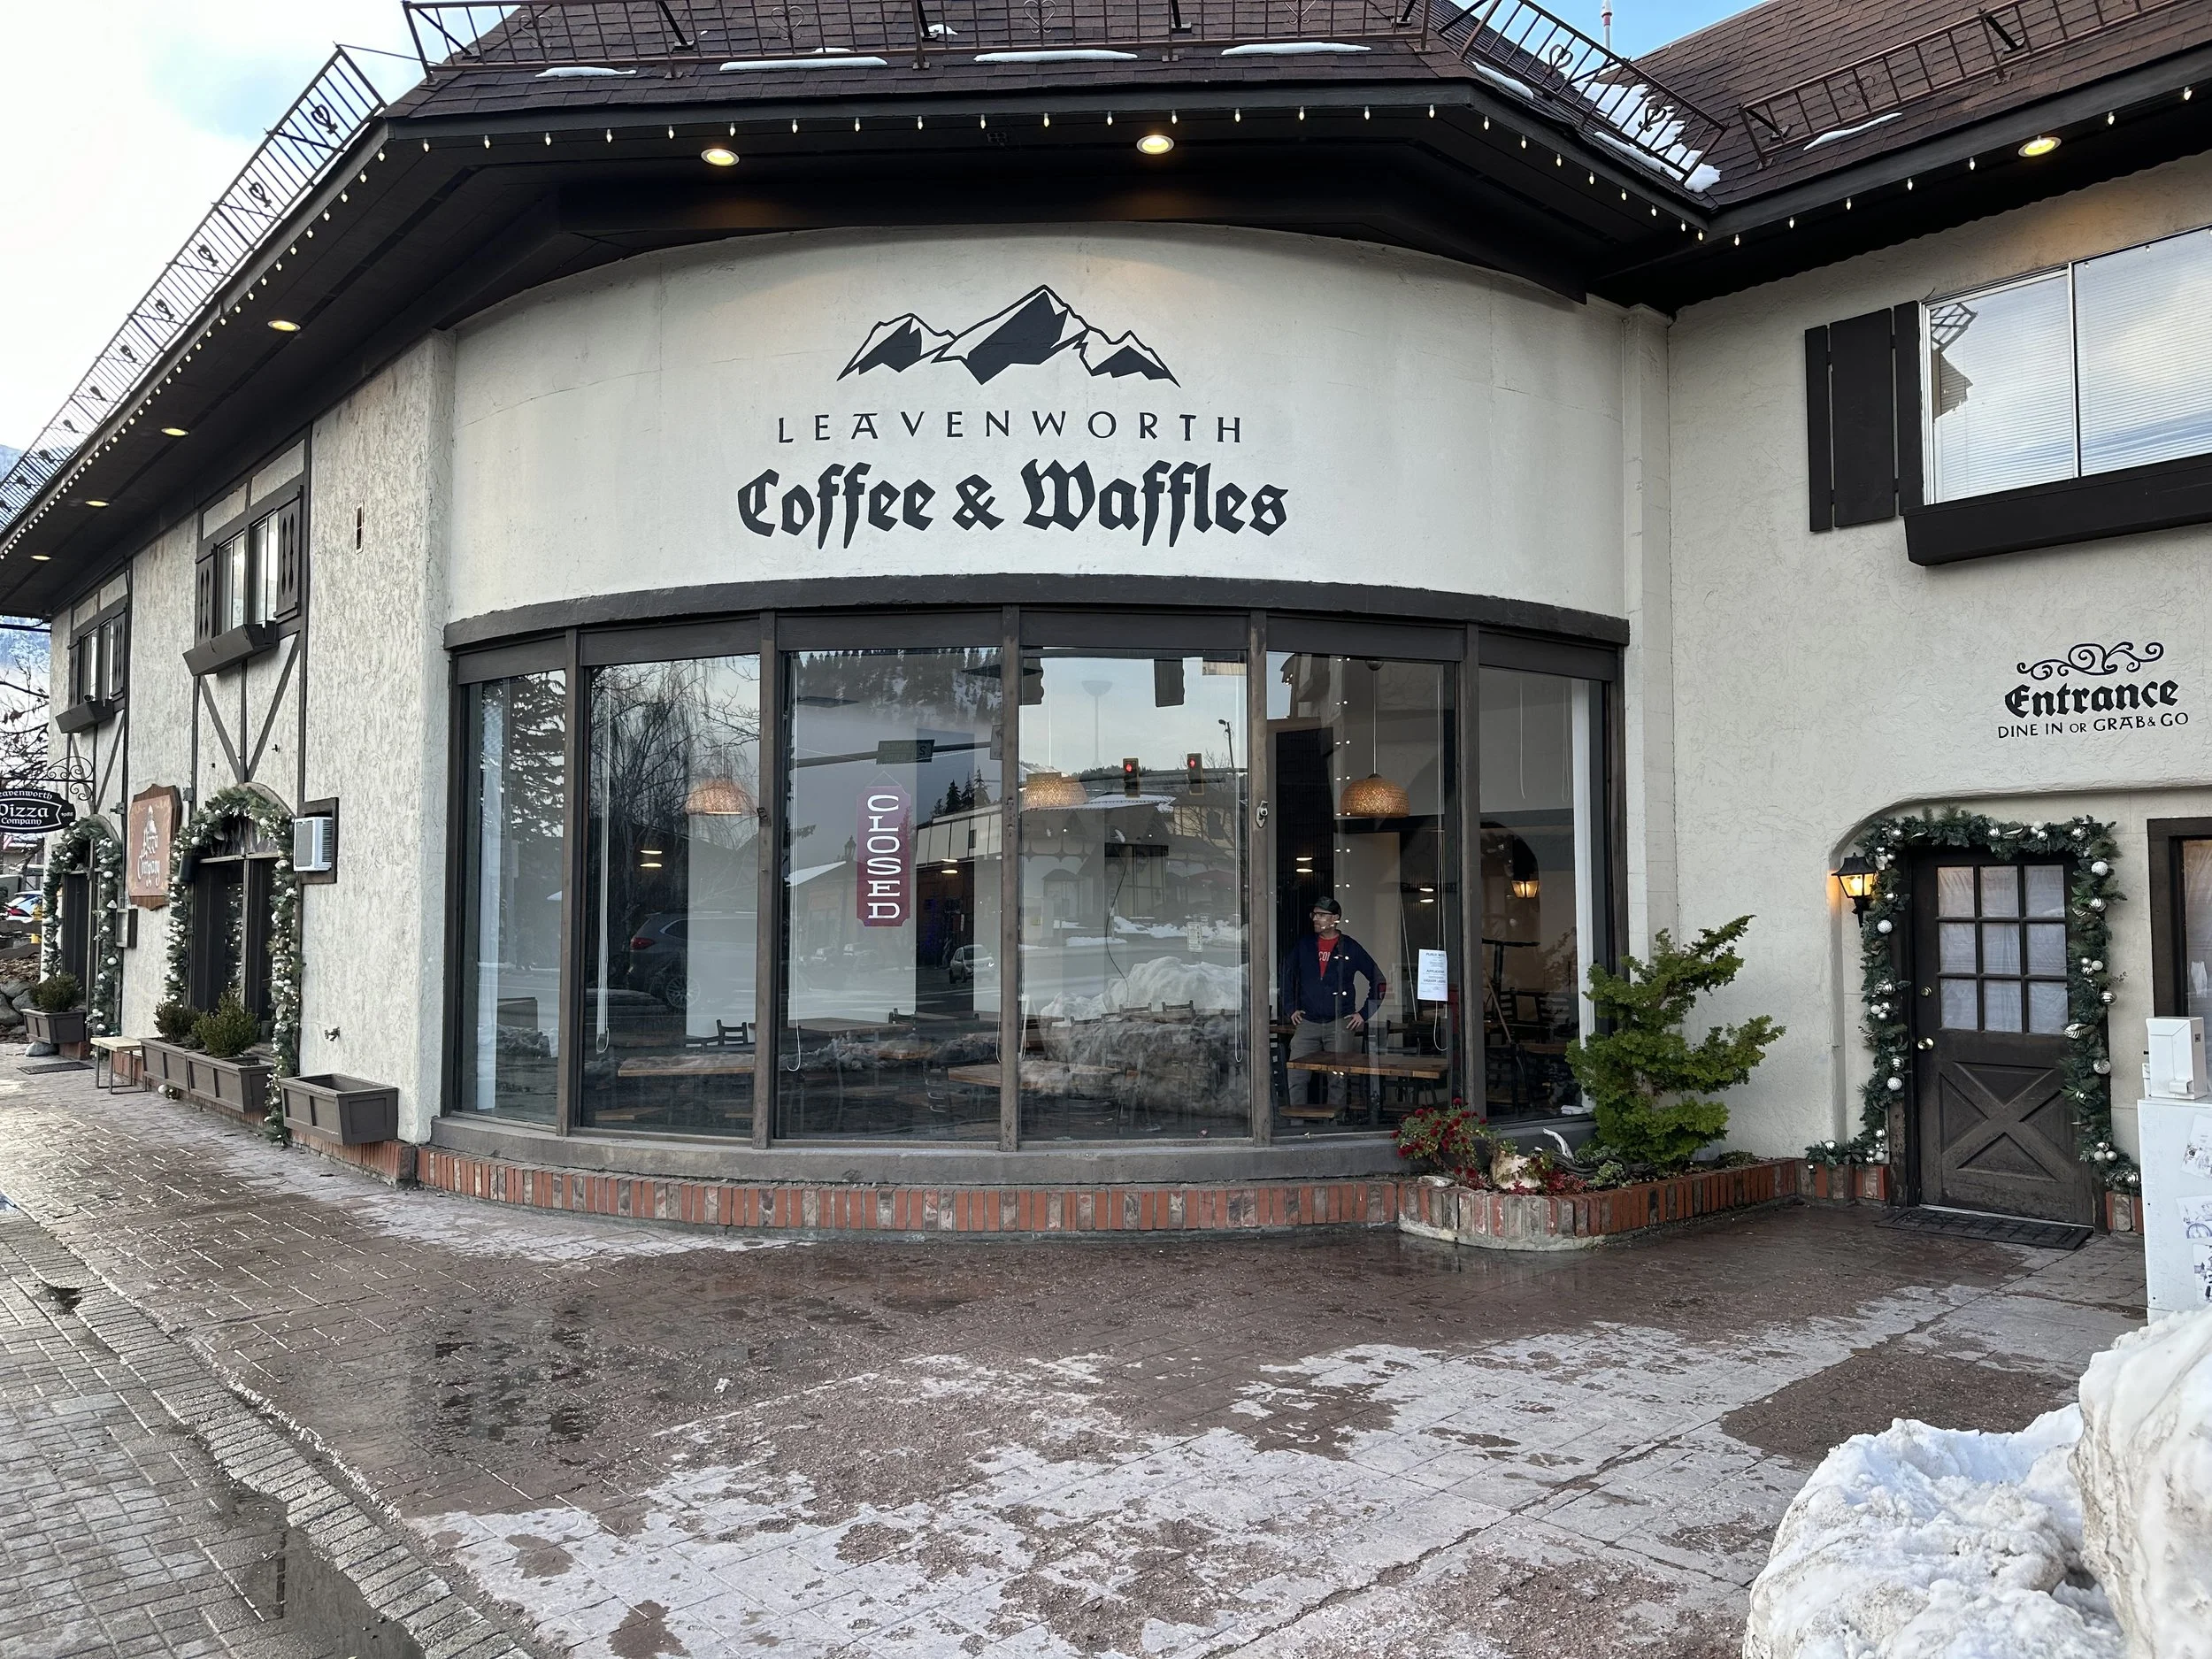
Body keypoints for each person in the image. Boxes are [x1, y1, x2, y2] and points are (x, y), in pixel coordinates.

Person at [1281, 897, 1388, 1114]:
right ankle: (1296, 1125)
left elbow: (1379, 981)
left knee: (1338, 1079)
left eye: (1321, 915)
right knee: (1296, 1076)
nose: (1316, 919)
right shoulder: (1305, 945)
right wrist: (1290, 1008)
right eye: (1315, 914)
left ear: (1335, 919)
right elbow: (1286, 974)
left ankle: (1334, 1126)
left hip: (1340, 1022)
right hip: (1308, 1021)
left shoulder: (1350, 946)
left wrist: (1364, 1014)